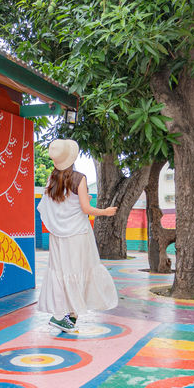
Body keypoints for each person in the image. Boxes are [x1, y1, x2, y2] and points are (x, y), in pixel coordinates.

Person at [37, 138, 118, 332]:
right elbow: (85, 208)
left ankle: (62, 316)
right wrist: (105, 212)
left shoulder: (52, 178)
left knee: (62, 272)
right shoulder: (79, 178)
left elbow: (54, 206)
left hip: (58, 235)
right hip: (78, 235)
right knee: (78, 271)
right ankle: (69, 316)